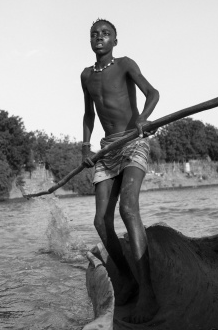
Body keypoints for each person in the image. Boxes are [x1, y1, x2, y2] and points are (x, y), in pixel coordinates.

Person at [81, 18, 160, 324]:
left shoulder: (125, 64)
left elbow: (153, 93)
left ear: (115, 40)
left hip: (132, 144)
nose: (99, 38)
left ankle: (148, 292)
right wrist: (85, 147)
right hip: (106, 150)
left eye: (105, 34)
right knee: (101, 220)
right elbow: (89, 113)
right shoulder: (87, 76)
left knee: (128, 208)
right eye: (94, 35)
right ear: (90, 42)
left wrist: (143, 119)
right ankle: (127, 278)